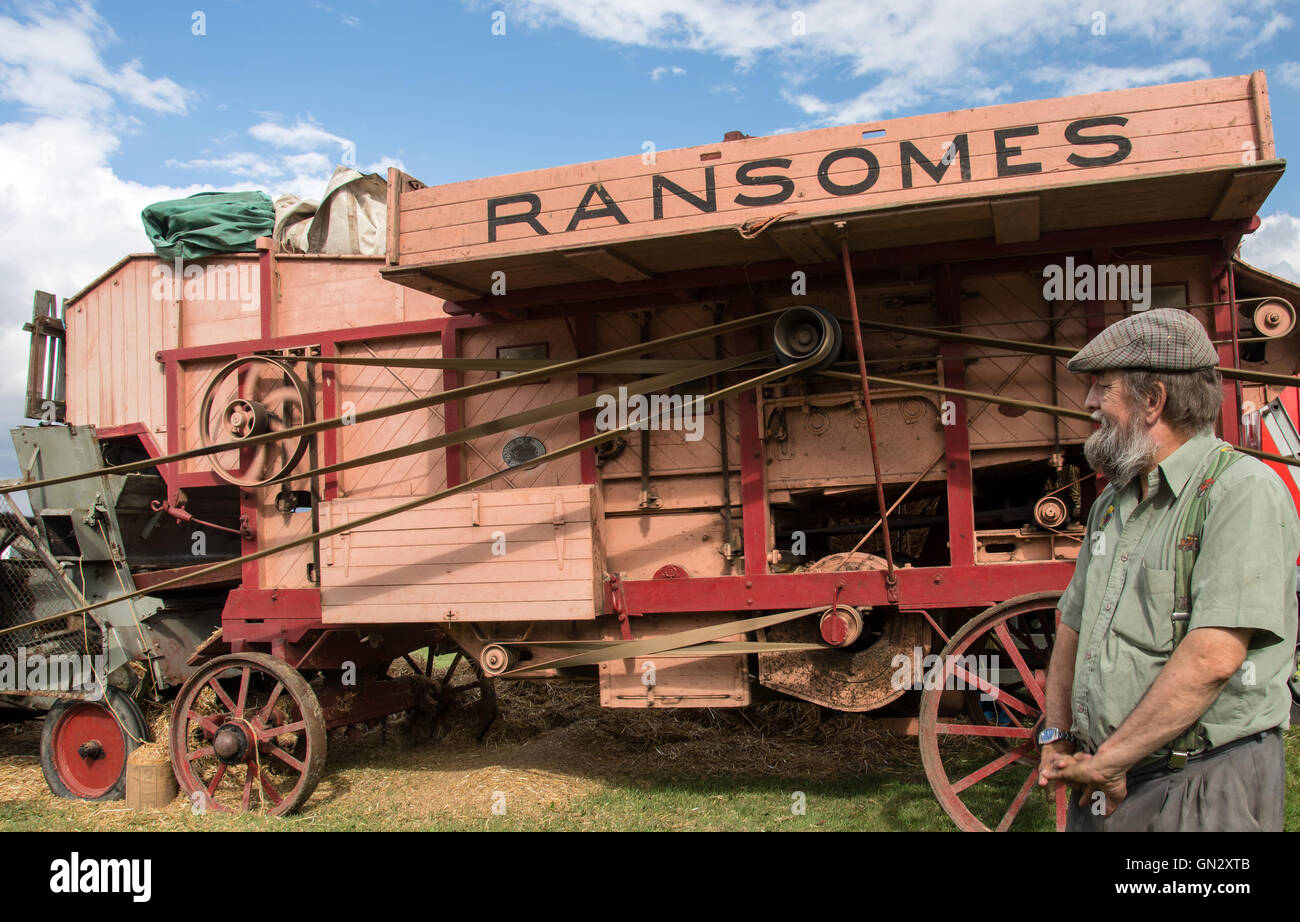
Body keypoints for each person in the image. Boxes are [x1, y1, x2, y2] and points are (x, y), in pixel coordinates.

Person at [1036, 308, 1299, 831]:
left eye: (1101, 388)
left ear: (1153, 400)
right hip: (1106, 776)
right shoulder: (1112, 502)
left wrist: (1111, 761)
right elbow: (1072, 624)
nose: (1088, 404)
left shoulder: (1239, 491)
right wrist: (1056, 735)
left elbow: (1214, 657)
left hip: (1201, 786)